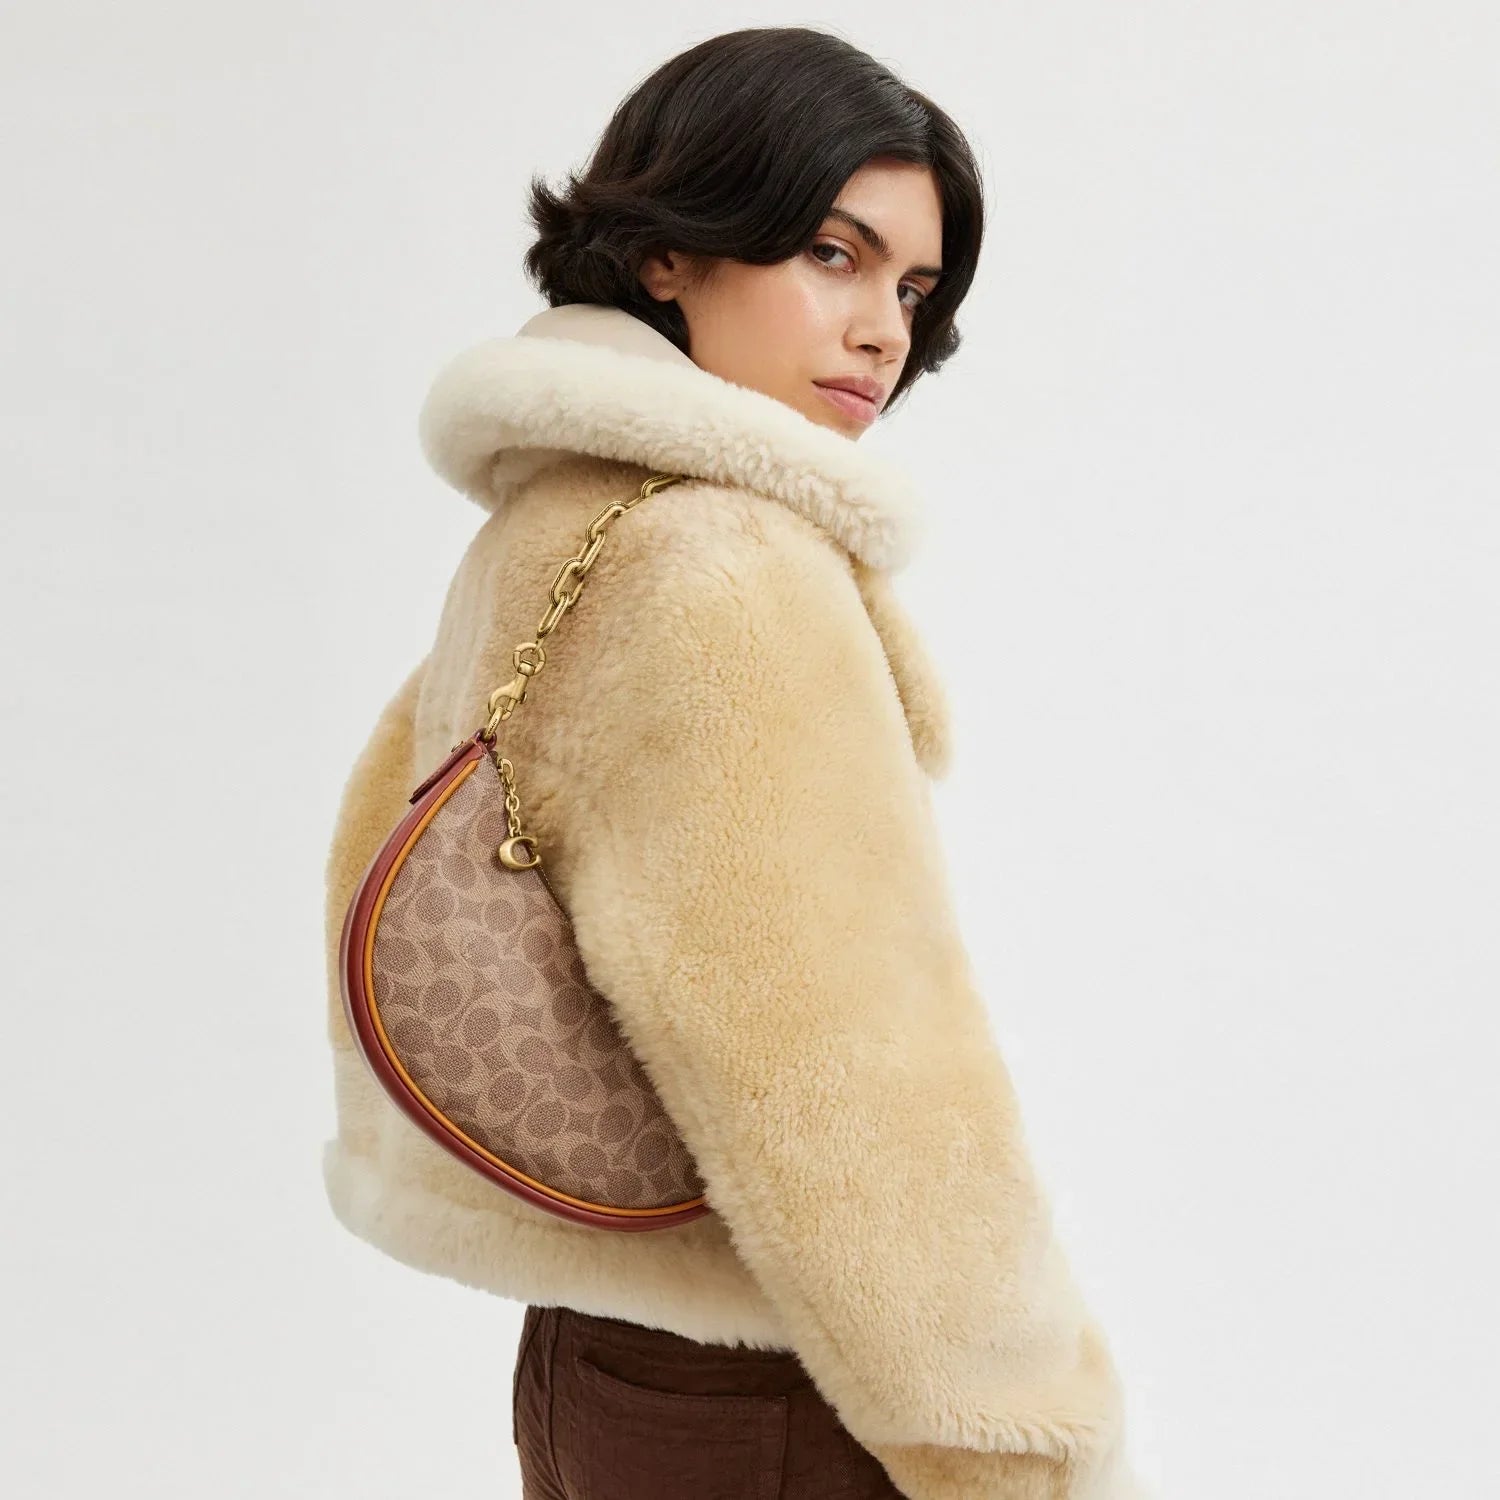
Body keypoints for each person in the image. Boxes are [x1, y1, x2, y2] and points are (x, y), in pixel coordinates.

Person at [322, 25, 1148, 1500]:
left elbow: (382, 843)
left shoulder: (553, 520)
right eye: (834, 254)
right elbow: (840, 1062)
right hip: (785, 1396)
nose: (885, 332)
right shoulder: (726, 558)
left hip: (593, 1360)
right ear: (669, 252)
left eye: (914, 289)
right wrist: (1008, 1437)